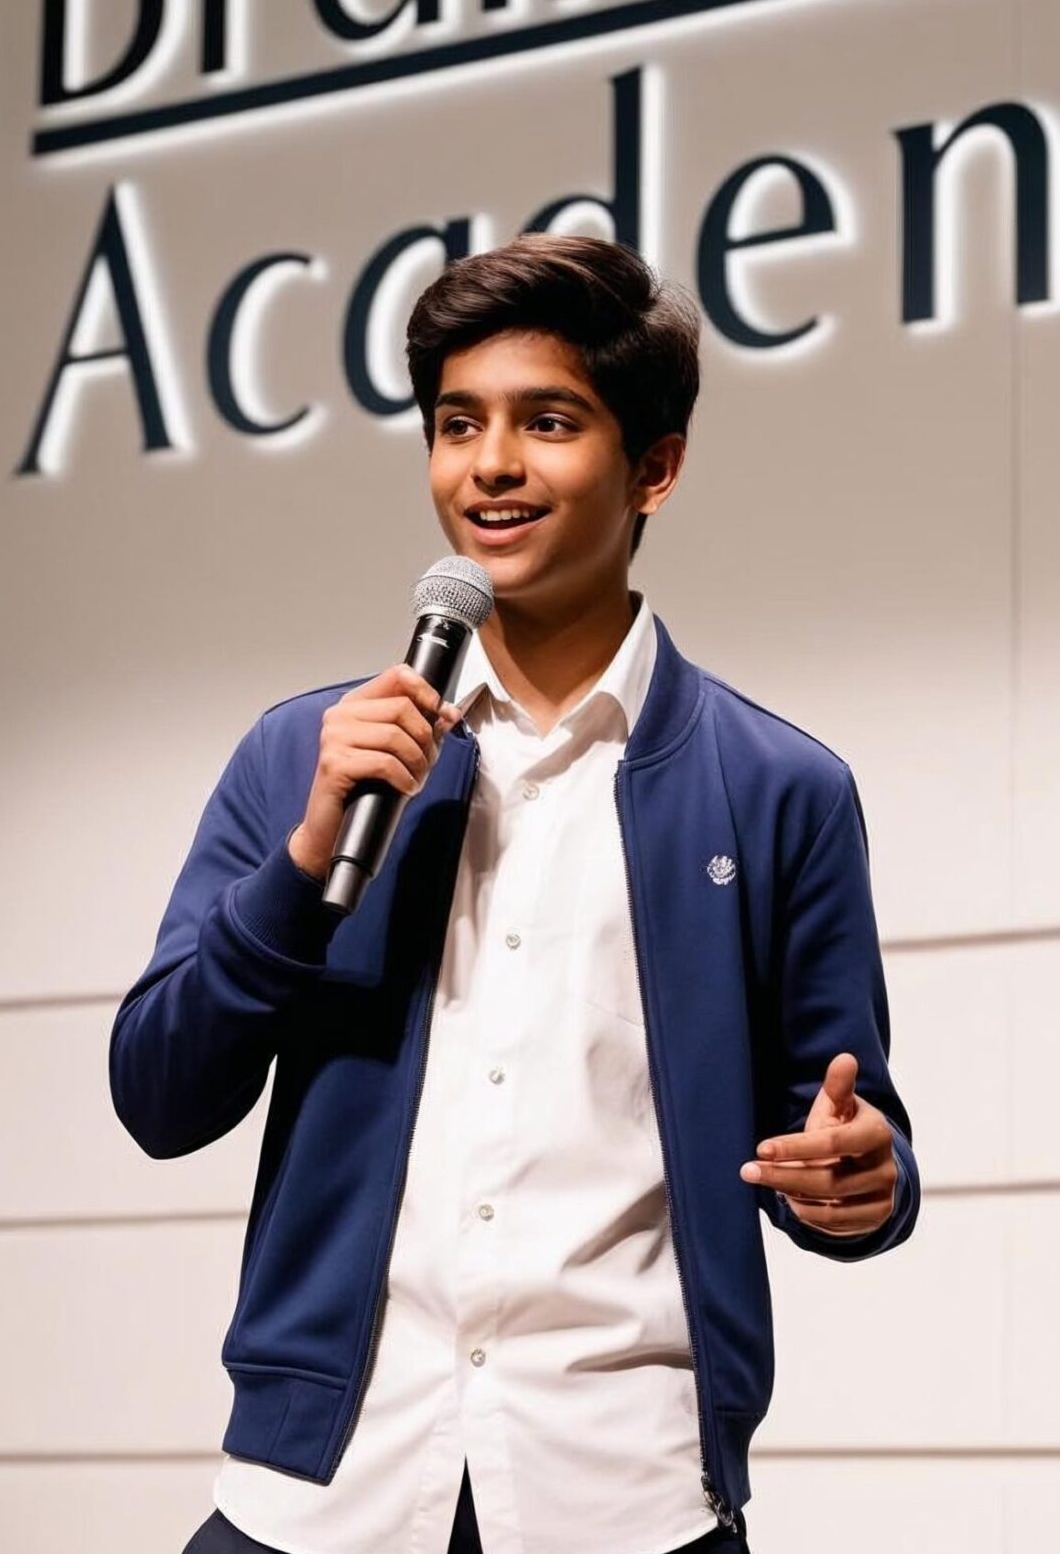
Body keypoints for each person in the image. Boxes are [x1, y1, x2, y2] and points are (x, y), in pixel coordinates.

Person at [109, 232, 920, 1554]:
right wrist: (306, 863)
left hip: (626, 1492)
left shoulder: (780, 790)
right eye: (456, 424)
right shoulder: (306, 755)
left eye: (547, 422)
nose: (489, 464)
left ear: (655, 467)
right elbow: (157, 1094)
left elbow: (842, 1141)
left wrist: (860, 1182)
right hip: (323, 1493)